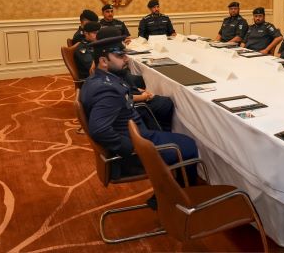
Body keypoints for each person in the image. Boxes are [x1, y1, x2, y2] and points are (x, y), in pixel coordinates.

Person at [80, 34, 197, 181]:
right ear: (103, 61)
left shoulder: (98, 79)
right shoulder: (107, 90)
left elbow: (121, 103)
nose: (126, 59)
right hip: (133, 148)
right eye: (120, 56)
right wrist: (133, 147)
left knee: (164, 114)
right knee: (189, 145)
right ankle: (181, 193)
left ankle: (169, 186)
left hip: (133, 131)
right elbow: (99, 130)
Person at [97, 26, 175, 132]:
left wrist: (140, 90)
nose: (126, 58)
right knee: (165, 103)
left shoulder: (106, 62)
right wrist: (143, 96)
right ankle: (159, 131)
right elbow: (123, 98)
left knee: (142, 81)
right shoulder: (109, 69)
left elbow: (124, 86)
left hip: (131, 95)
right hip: (132, 107)